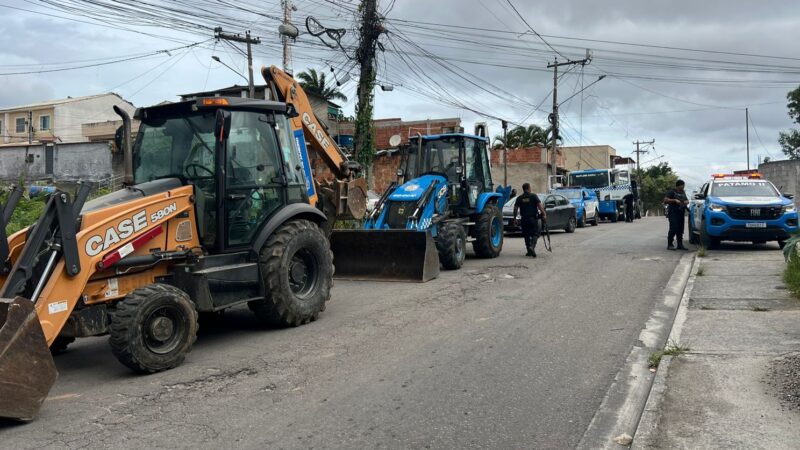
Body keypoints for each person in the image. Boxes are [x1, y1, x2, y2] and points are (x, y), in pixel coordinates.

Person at [513, 183, 547, 257]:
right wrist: (544, 214)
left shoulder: (519, 198)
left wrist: (515, 218)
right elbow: (540, 206)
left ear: (523, 189)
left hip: (524, 219)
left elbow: (515, 208)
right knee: (536, 233)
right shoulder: (533, 196)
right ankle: (532, 247)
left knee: (526, 235)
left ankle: (529, 250)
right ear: (529, 188)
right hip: (533, 219)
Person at [664, 179, 689, 250]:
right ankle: (670, 244)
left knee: (680, 229)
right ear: (679, 185)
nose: (683, 187)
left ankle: (680, 244)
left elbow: (686, 199)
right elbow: (665, 200)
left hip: (681, 212)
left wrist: (686, 201)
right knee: (674, 228)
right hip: (673, 212)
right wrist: (674, 200)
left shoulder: (683, 192)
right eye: (683, 185)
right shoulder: (672, 192)